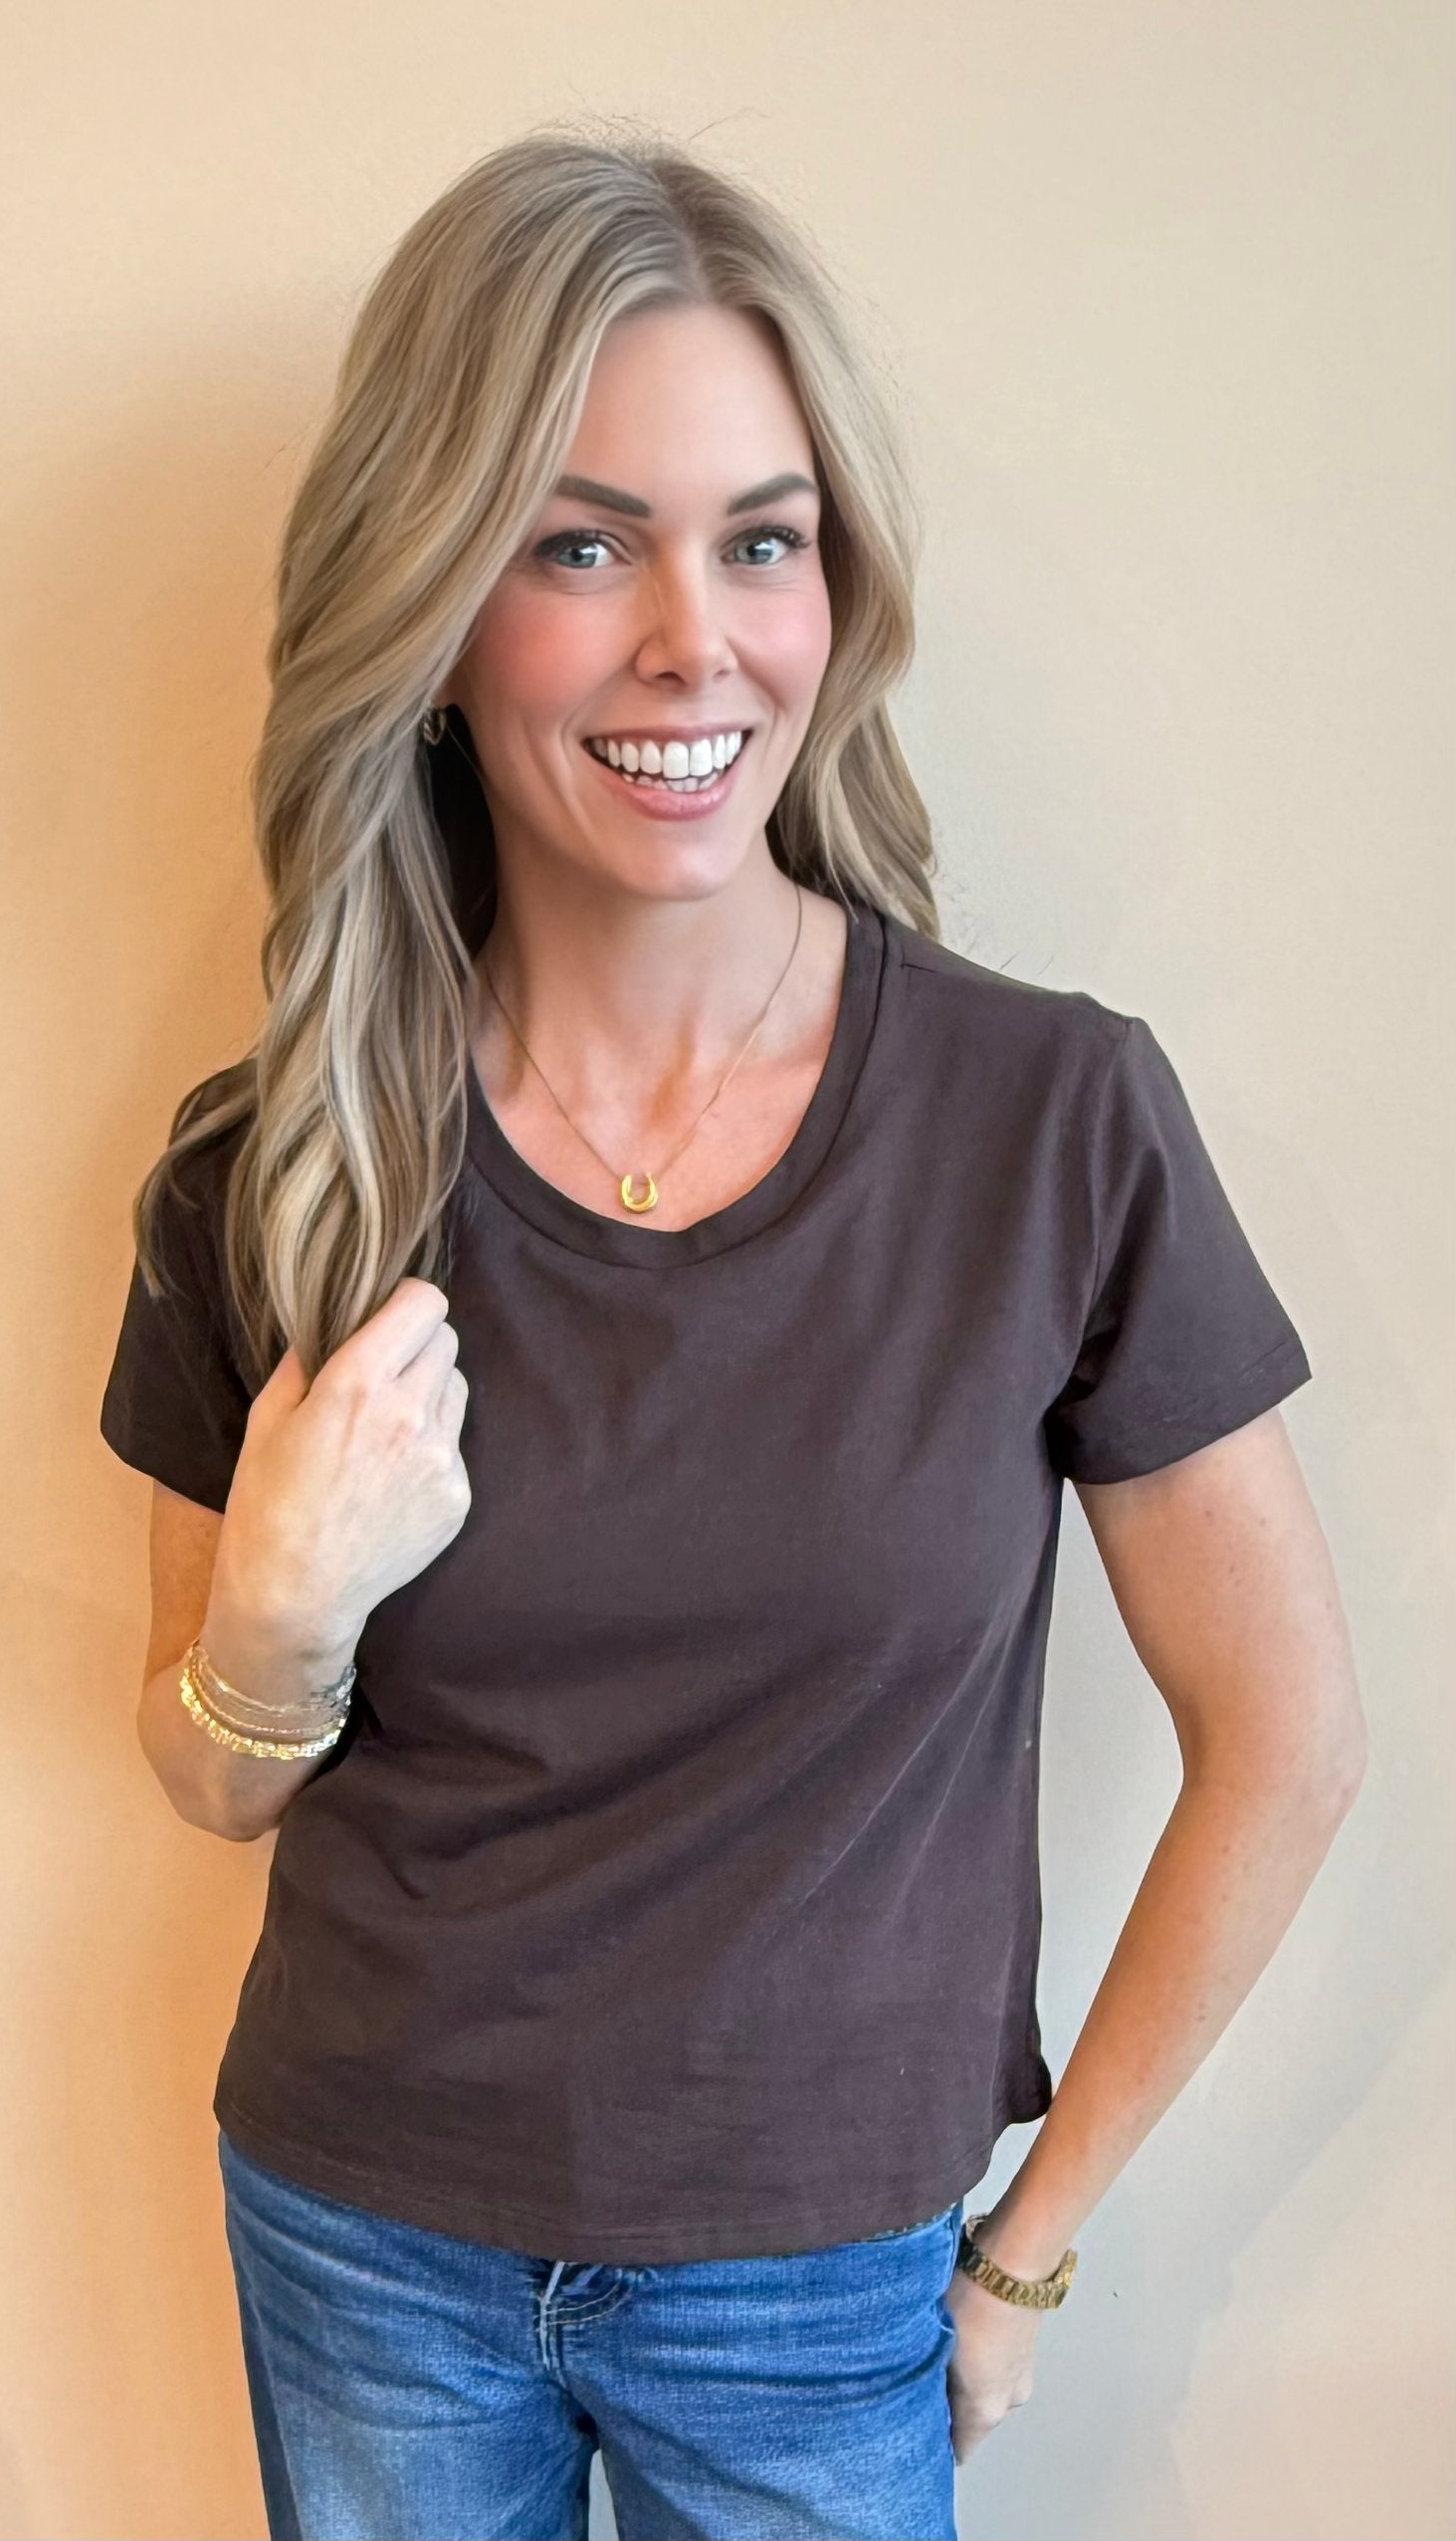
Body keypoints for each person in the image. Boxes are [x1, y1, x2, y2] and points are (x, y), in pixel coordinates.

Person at [98, 126, 1366, 2541]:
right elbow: (207, 1773)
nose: (695, 639)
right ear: (433, 601)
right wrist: (272, 1615)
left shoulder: (1049, 1122)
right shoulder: (283, 1157)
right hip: (362, 2232)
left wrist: (1029, 2249)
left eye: (761, 540)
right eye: (582, 545)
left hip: (818, 2284)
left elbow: (1290, 1733)